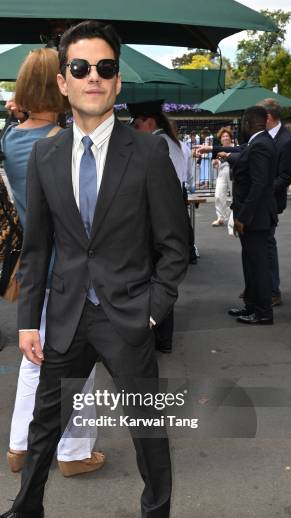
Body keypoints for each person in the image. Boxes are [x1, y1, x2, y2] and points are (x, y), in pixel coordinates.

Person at [0, 20, 189, 518]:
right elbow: (38, 246)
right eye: (80, 68)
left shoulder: (146, 155)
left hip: (127, 316)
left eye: (105, 68)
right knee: (46, 422)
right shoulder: (46, 156)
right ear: (63, 83)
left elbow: (174, 247)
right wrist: (28, 321)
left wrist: (152, 310)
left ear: (117, 82)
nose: (94, 77)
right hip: (65, 313)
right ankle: (27, 509)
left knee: (147, 428)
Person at [1, 47, 103, 476]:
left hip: (34, 267)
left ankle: (19, 446)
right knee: (85, 361)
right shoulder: (61, 144)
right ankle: (75, 452)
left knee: (34, 358)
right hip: (73, 271)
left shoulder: (10, 139)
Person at [128, 99, 194, 352]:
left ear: (149, 121)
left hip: (155, 215)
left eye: (136, 123)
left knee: (152, 276)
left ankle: (153, 336)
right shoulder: (175, 143)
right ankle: (163, 339)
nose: (133, 128)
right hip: (173, 210)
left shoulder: (153, 144)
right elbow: (185, 179)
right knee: (164, 275)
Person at [226, 106, 277, 325]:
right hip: (253, 217)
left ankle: (263, 312)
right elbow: (241, 153)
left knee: (258, 266)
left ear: (248, 123)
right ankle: (251, 306)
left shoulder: (261, 145)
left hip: (255, 218)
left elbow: (258, 185)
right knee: (250, 263)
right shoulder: (258, 142)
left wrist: (243, 217)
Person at [257, 99, 291, 307]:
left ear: (268, 118)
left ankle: (273, 290)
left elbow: (285, 178)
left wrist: (261, 189)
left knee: (267, 245)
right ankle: (260, 287)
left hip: (270, 202)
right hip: (260, 200)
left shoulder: (286, 141)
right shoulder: (265, 137)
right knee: (259, 245)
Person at [211, 127, 233, 227]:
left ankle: (235, 216)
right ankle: (221, 217)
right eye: (223, 136)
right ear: (220, 139)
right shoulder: (217, 150)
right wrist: (215, 162)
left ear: (230, 138)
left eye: (227, 136)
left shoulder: (235, 147)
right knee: (219, 195)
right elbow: (214, 163)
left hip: (233, 172)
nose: (225, 138)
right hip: (221, 172)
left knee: (235, 196)